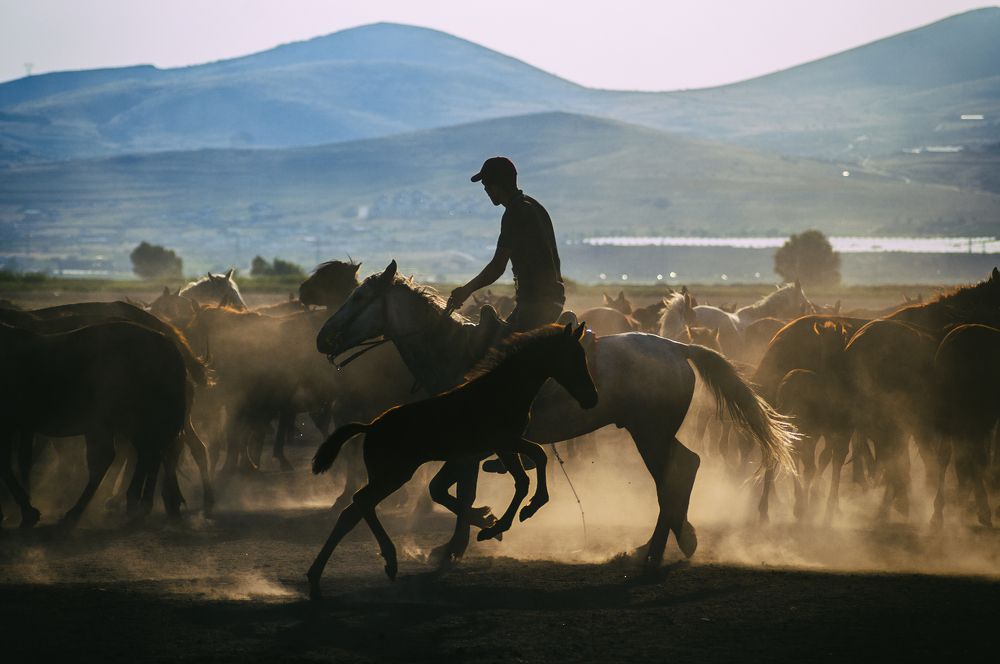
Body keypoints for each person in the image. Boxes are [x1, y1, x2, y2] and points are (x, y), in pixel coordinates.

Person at [447, 157, 565, 332]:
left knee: (500, 353)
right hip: (544, 300)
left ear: (497, 184)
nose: (485, 189)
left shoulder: (515, 213)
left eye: (487, 183)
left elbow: (497, 266)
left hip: (536, 304)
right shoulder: (533, 205)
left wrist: (466, 290)